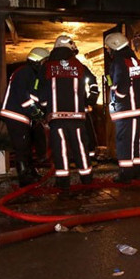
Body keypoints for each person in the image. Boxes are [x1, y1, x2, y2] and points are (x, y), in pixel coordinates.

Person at [34, 35, 100, 193]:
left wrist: (44, 109)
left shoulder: (47, 67)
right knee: (80, 148)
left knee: (60, 149)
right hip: (77, 117)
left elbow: (39, 90)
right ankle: (87, 178)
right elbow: (93, 84)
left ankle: (63, 182)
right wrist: (89, 101)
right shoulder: (79, 65)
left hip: (56, 118)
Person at [0, 47, 49, 187]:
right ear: (38, 61)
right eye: (45, 61)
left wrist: (40, 111)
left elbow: (34, 95)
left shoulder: (32, 74)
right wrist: (36, 112)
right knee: (21, 148)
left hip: (22, 116)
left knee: (26, 146)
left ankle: (30, 172)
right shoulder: (24, 72)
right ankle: (24, 177)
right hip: (15, 115)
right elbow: (24, 97)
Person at [104, 32, 140, 183]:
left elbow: (121, 86)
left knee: (124, 141)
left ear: (114, 47)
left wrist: (117, 94)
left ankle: (125, 173)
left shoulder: (119, 62)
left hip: (125, 110)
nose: (108, 51)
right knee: (136, 142)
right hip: (137, 109)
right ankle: (137, 171)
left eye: (109, 49)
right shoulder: (134, 59)